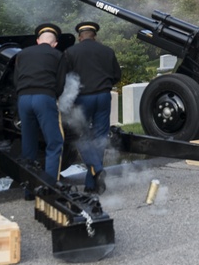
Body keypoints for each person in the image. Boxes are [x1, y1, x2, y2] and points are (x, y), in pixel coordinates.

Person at [59, 20, 122, 194]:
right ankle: (92, 184)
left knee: (82, 136)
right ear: (95, 36)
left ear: (80, 36)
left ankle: (96, 170)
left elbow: (65, 79)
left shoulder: (70, 52)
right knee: (100, 137)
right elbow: (116, 75)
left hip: (83, 99)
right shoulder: (107, 51)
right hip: (103, 96)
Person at [13, 23, 65, 196]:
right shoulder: (57, 55)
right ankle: (48, 190)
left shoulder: (22, 54)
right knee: (54, 143)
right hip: (44, 97)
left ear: (37, 40)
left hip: (24, 99)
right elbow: (60, 83)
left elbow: (16, 79)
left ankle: (28, 190)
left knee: (28, 145)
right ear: (55, 43)